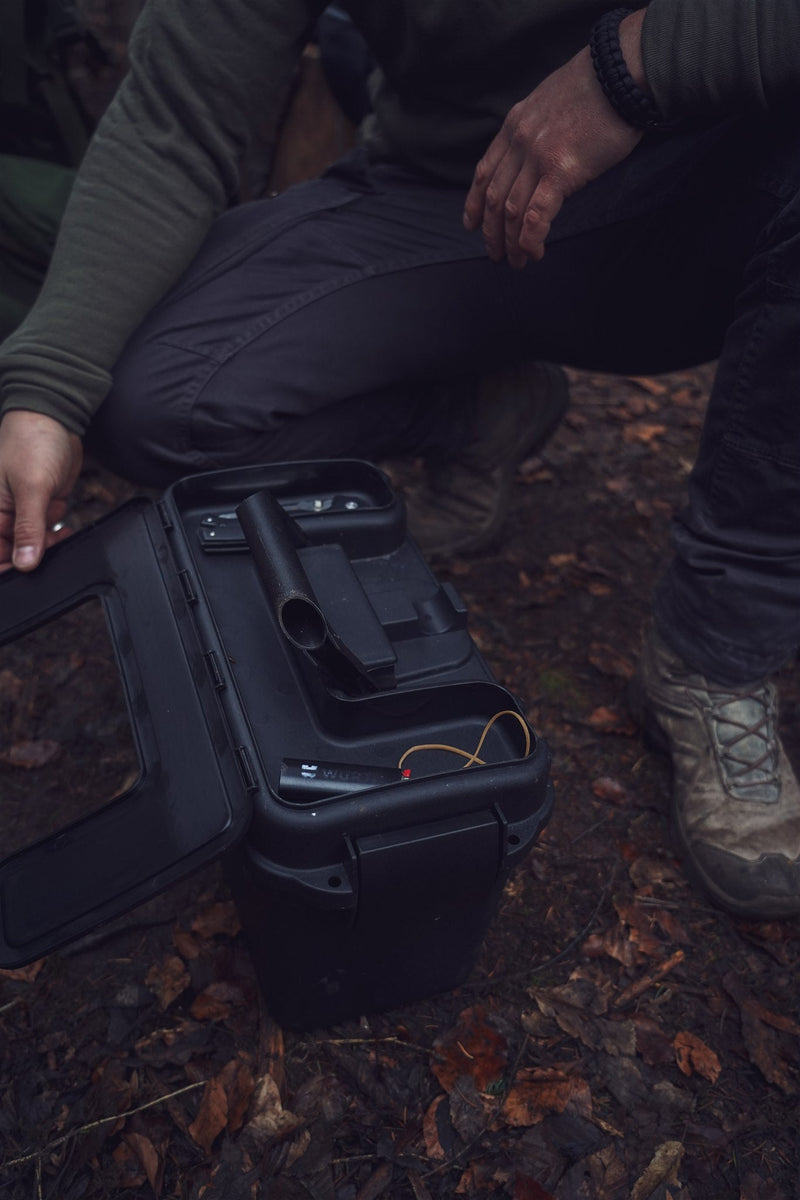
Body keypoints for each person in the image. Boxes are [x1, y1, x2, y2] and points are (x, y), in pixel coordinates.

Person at [1, 0, 800, 921]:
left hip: (717, 200)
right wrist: (47, 389)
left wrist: (637, 67)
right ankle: (481, 410)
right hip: (449, 198)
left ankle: (716, 652)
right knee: (152, 393)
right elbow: (177, 117)